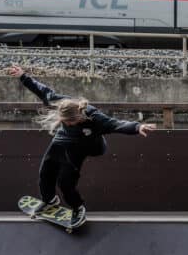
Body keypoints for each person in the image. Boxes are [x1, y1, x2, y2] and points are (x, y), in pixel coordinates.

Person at [9, 65, 155, 225]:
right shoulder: (61, 103)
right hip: (63, 140)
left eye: (69, 122)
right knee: (46, 171)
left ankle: (78, 208)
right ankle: (49, 199)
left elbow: (115, 124)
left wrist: (137, 127)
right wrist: (23, 76)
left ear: (78, 117)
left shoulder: (94, 117)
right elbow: (42, 90)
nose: (67, 123)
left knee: (65, 181)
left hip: (86, 145)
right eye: (64, 122)